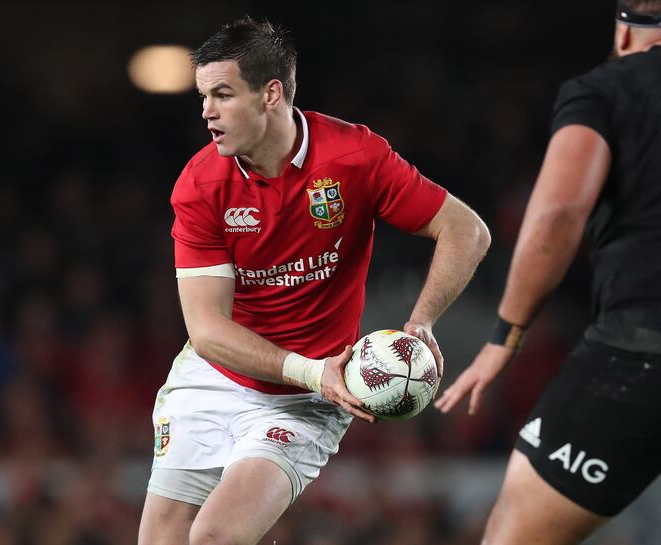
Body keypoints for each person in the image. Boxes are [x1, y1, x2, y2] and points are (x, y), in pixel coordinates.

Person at [138, 17, 490, 545]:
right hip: (218, 378)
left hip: (304, 403)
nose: (206, 110)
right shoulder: (201, 183)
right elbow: (206, 328)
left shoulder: (354, 157)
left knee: (215, 537)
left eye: (223, 94)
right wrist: (311, 370)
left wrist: (421, 322)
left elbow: (467, 230)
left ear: (271, 94)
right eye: (203, 96)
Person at [435, 2, 661, 544]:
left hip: (639, 357)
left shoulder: (609, 89)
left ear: (624, 31)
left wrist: (504, 337)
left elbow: (559, 214)